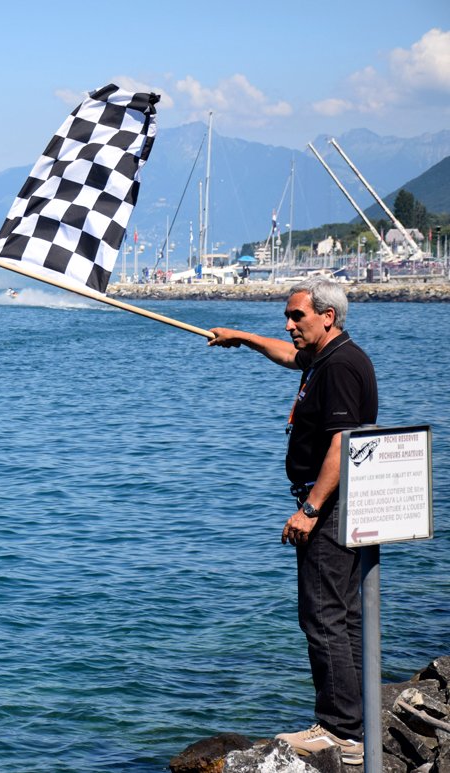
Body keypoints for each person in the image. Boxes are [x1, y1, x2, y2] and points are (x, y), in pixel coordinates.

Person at [208, 277, 377, 767]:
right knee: (342, 615)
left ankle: (340, 730)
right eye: (287, 316)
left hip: (329, 506)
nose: (288, 325)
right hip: (340, 503)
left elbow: (342, 442)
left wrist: (310, 509)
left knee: (322, 615)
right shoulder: (328, 356)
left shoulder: (340, 365)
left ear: (327, 316)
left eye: (296, 316)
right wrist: (242, 337)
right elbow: (288, 355)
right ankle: (355, 719)